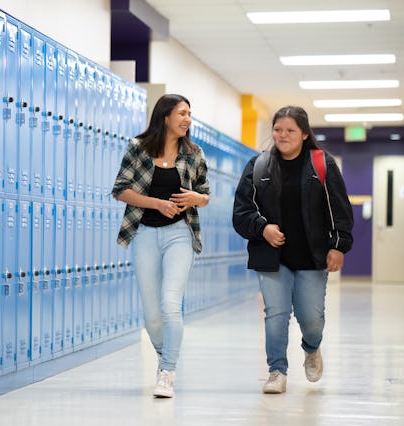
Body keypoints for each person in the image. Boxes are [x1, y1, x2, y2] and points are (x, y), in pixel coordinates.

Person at [232, 106, 353, 394]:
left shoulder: (322, 164)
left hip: (312, 256)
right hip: (272, 257)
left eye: (290, 130)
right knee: (276, 313)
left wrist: (338, 246)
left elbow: (339, 208)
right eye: (277, 129)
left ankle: (312, 348)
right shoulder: (258, 165)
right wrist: (263, 228)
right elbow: (241, 211)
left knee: (311, 319)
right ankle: (276, 371)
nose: (282, 135)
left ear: (304, 134)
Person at [111, 94, 210, 398]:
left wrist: (197, 199)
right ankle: (164, 357)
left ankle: (167, 371)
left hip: (180, 233)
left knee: (170, 303)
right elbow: (120, 190)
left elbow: (204, 194)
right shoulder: (138, 148)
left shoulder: (194, 153)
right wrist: (156, 203)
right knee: (152, 314)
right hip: (144, 233)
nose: (187, 119)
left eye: (189, 114)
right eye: (182, 113)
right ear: (165, 116)